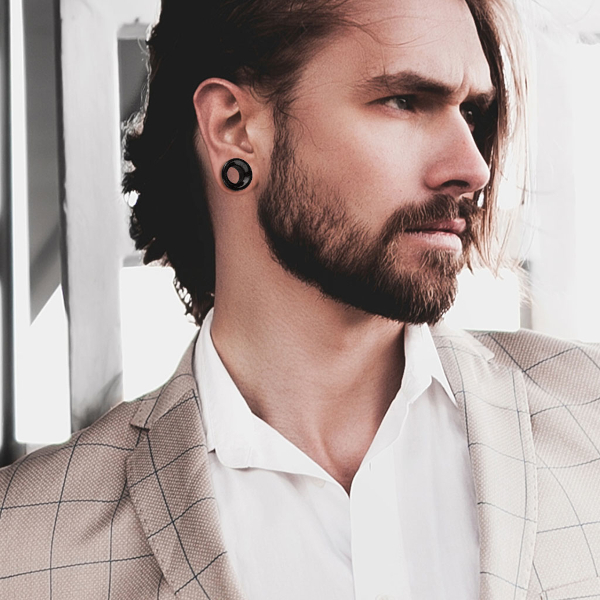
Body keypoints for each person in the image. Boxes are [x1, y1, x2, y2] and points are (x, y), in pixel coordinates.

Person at [1, 0, 600, 598]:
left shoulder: (588, 419)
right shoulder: (25, 543)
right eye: (404, 100)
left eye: (470, 111)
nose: (472, 166)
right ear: (234, 127)